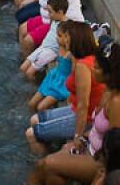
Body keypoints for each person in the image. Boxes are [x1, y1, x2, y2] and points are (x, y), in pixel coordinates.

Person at [30, 41, 120, 185]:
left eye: (96, 67)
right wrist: (81, 139)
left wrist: (98, 183)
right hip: (92, 148)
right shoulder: (109, 90)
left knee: (50, 164)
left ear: (110, 73)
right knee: (42, 165)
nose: (92, 69)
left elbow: (116, 150)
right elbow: (99, 128)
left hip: (105, 161)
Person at [25, 22, 102, 159]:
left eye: (66, 36)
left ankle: (44, 160)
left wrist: (78, 137)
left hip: (87, 118)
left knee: (30, 133)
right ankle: (50, 150)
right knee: (34, 119)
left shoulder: (83, 66)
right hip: (77, 110)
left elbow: (83, 106)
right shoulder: (83, 59)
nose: (63, 40)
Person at [20, 0, 69, 82]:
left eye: (50, 12)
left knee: (29, 73)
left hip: (50, 51)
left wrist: (60, 56)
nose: (48, 14)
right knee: (22, 68)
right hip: (43, 47)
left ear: (60, 12)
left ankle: (33, 88)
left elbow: (67, 44)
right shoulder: (54, 20)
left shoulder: (67, 26)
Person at [28, 20, 73, 111]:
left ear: (68, 37)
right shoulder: (61, 46)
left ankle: (43, 122)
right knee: (31, 103)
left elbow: (75, 73)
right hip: (53, 77)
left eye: (59, 36)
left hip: (62, 84)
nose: (56, 38)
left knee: (41, 107)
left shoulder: (72, 54)